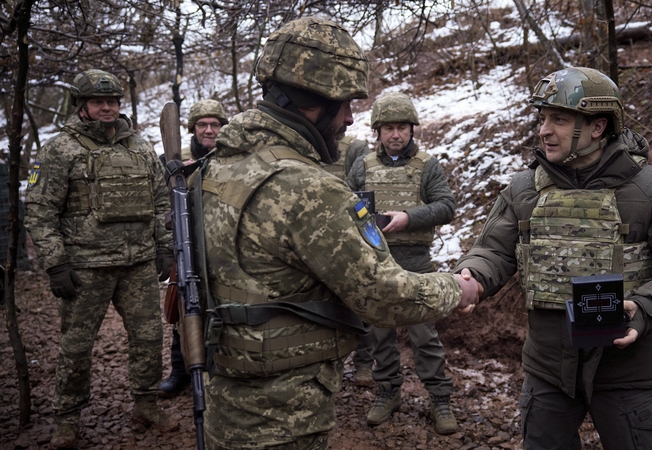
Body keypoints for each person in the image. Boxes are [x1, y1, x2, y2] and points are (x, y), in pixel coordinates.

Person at [198, 17, 480, 450]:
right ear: (315, 99)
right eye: (346, 103)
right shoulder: (306, 186)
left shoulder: (220, 165)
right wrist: (455, 289)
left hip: (230, 393)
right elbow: (382, 295)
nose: (350, 118)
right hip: (286, 414)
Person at [453, 67, 652, 450]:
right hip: (547, 368)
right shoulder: (524, 188)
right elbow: (493, 250)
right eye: (542, 118)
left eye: (559, 118)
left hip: (627, 371)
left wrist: (643, 307)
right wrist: (472, 276)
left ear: (597, 127)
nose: (543, 129)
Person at [24, 69, 178, 449]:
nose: (106, 107)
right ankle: (67, 419)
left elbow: (161, 201)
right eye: (98, 102)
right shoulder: (59, 150)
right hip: (84, 268)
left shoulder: (139, 147)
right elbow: (40, 210)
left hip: (138, 263)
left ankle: (145, 403)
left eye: (112, 102)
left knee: (148, 337)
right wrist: (55, 263)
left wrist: (163, 246)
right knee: (76, 346)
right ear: (83, 106)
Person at [347, 92, 459, 434]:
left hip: (416, 262)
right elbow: (345, 203)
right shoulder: (362, 166)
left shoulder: (427, 165)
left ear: (412, 130)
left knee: (424, 335)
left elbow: (446, 206)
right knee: (381, 335)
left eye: (401, 128)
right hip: (377, 261)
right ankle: (387, 392)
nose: (396, 135)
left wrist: (409, 217)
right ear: (378, 132)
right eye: (388, 128)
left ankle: (439, 398)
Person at [158, 98, 228, 399]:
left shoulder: (232, 159)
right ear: (192, 129)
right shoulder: (174, 159)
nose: (209, 130)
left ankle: (220, 368)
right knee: (182, 305)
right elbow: (159, 206)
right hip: (186, 246)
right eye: (202, 124)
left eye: (215, 124)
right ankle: (179, 371)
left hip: (221, 245)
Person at [322, 135, 376, 387]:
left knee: (358, 300)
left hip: (348, 236)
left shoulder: (354, 148)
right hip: (309, 236)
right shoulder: (297, 143)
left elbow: (363, 194)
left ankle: (364, 362)